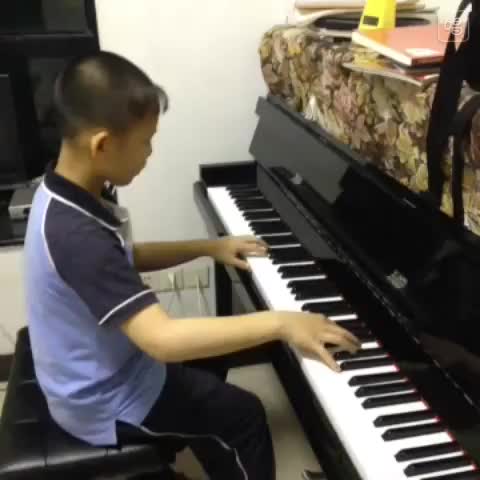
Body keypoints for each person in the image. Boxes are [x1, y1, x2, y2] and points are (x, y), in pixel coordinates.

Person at [23, 51, 360, 480]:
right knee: (245, 416)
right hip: (102, 399)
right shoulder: (76, 235)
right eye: (145, 141)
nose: (149, 153)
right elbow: (162, 341)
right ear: (102, 145)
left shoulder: (62, 191)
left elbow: (122, 257)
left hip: (101, 368)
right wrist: (282, 322)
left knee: (213, 363)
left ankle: (209, 445)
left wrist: (207, 247)